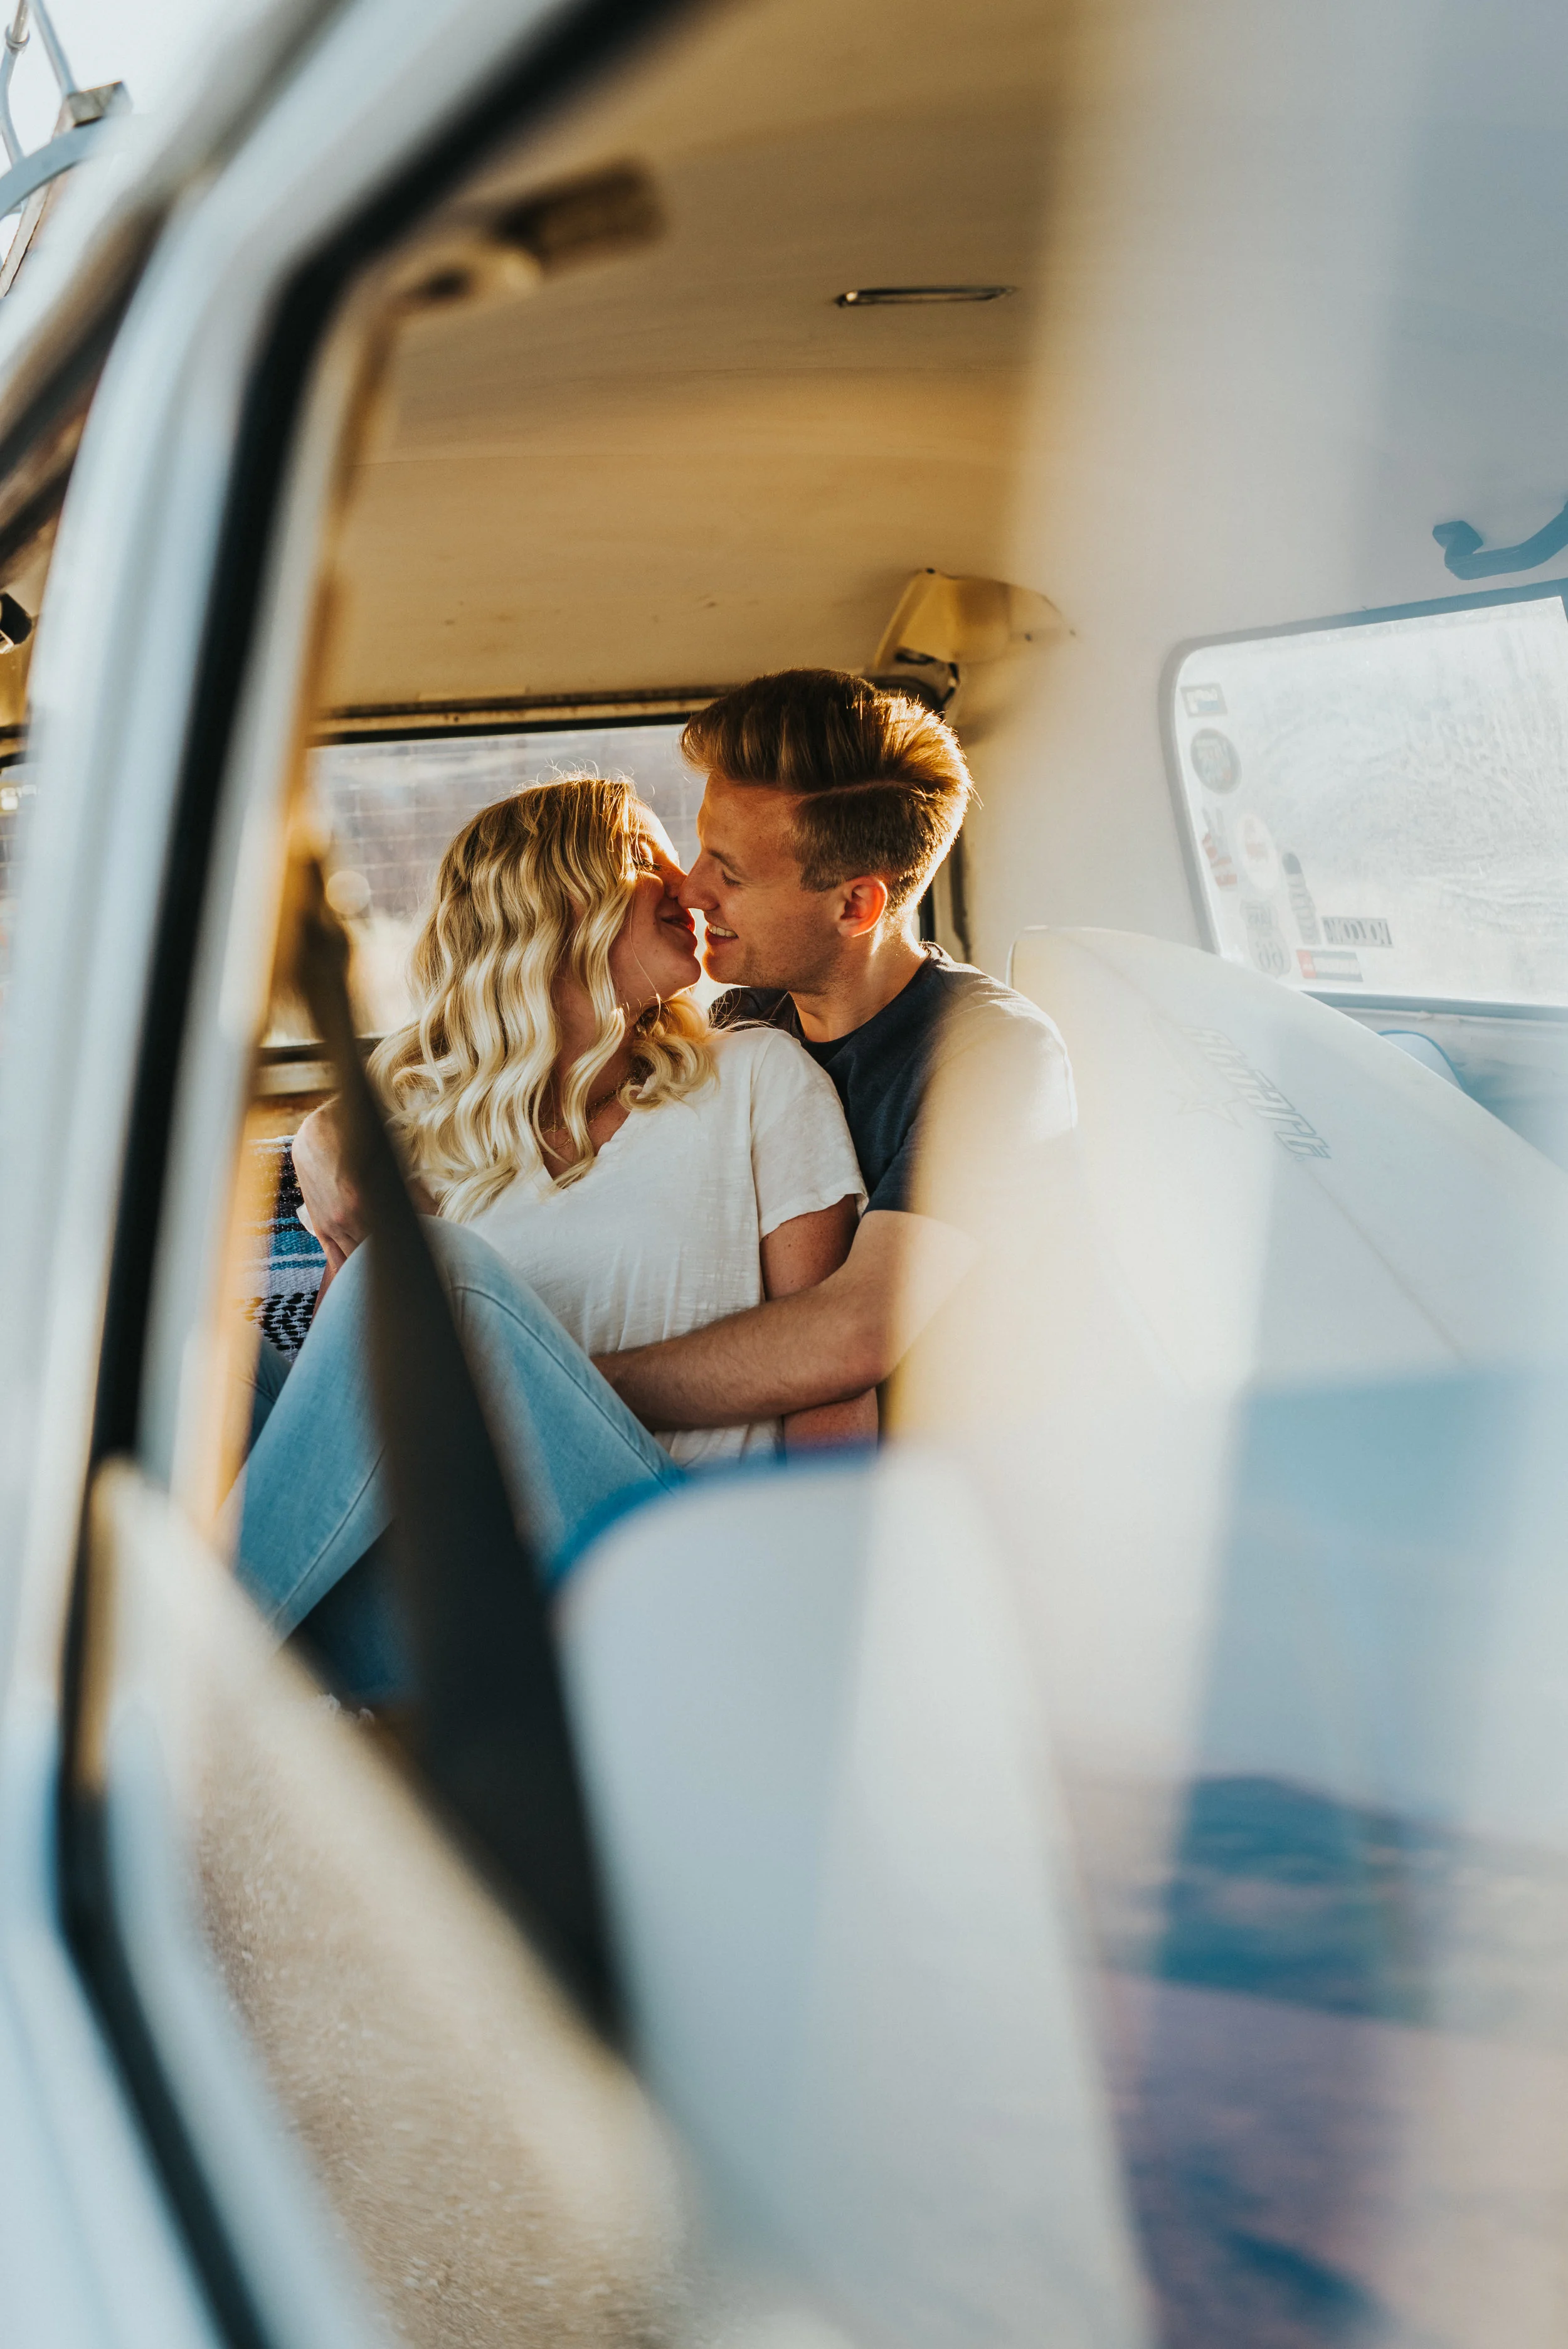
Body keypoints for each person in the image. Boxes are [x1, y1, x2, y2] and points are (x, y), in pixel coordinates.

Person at [236, 776, 869, 1670]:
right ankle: (197, 1650)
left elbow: (828, 1379)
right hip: (468, 1587)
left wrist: (819, 1617)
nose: (690, 888)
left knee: (433, 1276)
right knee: (184, 1344)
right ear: (564, 900)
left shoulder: (758, 1078)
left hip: (665, 1572)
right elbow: (351, 1408)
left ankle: (160, 1671)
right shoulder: (432, 1133)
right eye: (647, 861)